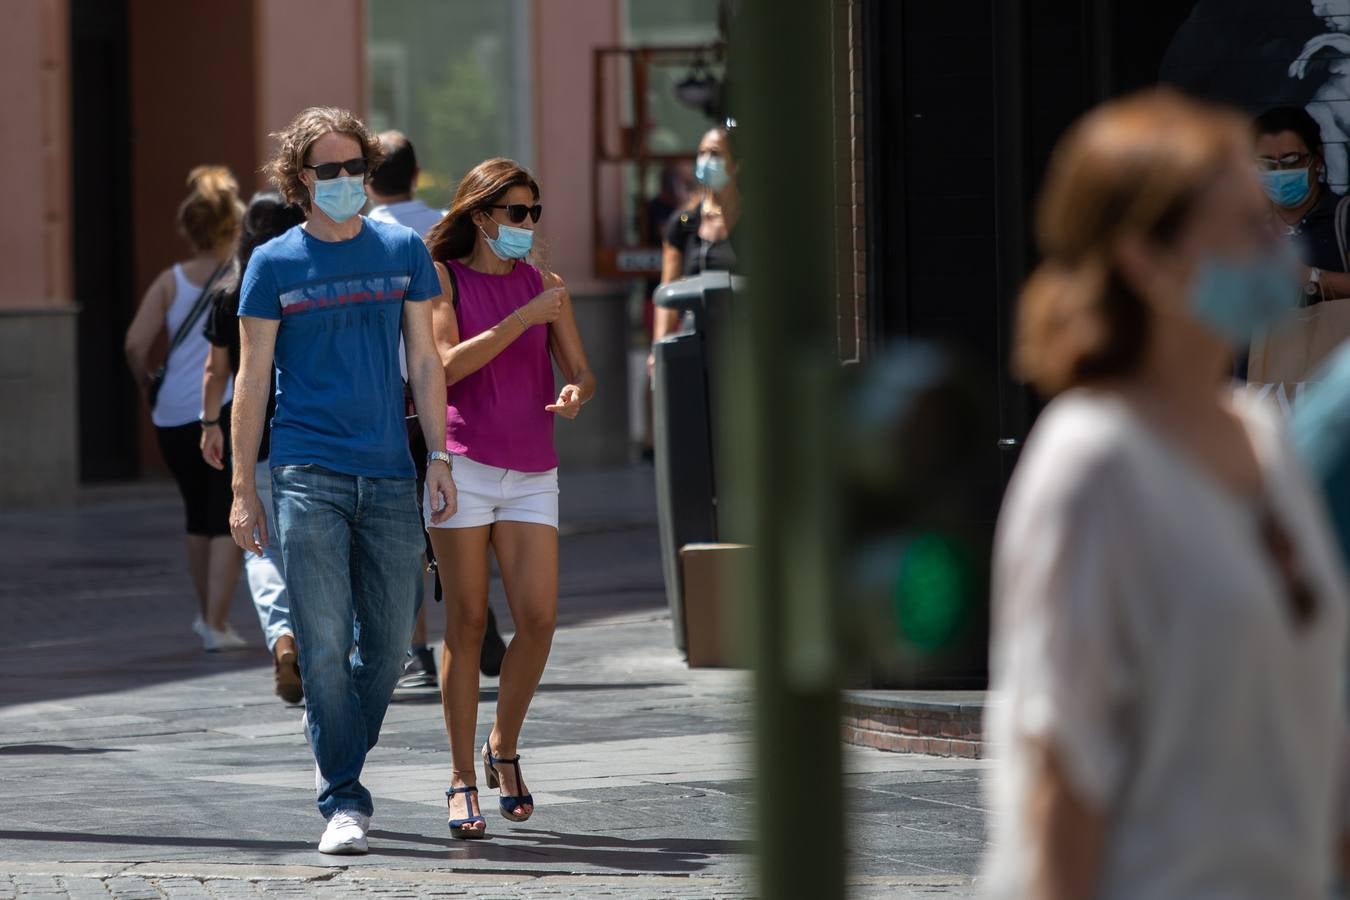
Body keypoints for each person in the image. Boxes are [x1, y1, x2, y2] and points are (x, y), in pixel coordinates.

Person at [984, 90, 1350, 898]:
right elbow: (1064, 777)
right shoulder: (1094, 465)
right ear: (1144, 262)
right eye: (1241, 226)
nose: (1273, 247)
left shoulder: (1262, 441)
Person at [228, 107, 456, 856]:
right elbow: (253, 380)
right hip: (305, 473)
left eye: (355, 168)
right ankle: (343, 798)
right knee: (324, 645)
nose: (346, 182)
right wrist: (243, 487)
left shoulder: (402, 250)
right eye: (329, 171)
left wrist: (441, 460)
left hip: (391, 473)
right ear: (300, 180)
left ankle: (341, 758)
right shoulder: (273, 265)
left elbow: (424, 360)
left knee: (388, 649)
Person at [422, 158, 595, 838]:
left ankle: (504, 745)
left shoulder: (548, 287)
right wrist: (522, 318)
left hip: (531, 469)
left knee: (541, 619)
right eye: (516, 213)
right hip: (461, 464)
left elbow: (580, 368)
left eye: (534, 213)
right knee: (465, 624)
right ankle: (463, 776)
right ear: (481, 216)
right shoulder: (444, 280)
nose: (527, 225)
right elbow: (444, 364)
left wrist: (578, 392)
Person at [365, 130, 508, 689]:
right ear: (416, 169)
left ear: (369, 178)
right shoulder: (447, 226)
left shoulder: (366, 236)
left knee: (402, 525)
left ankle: (416, 649)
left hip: (391, 397)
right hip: (448, 392)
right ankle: (475, 619)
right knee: (455, 515)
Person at [124, 165, 246, 652]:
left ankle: (206, 617)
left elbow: (135, 344)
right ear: (232, 224)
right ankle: (218, 624)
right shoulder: (240, 274)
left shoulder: (169, 281)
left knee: (197, 515)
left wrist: (149, 387)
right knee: (225, 515)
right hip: (222, 407)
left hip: (171, 412)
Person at [200, 192, 307, 702]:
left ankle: (283, 639)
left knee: (259, 548)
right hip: (303, 427)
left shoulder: (229, 291)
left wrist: (208, 424)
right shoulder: (303, 278)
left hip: (251, 432)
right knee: (308, 542)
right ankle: (317, 642)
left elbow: (217, 370)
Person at [650, 123, 742, 365]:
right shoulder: (683, 222)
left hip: (742, 343)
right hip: (694, 342)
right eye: (701, 153)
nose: (705, 160)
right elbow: (667, 291)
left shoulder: (752, 221)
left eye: (715, 154)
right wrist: (658, 350)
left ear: (736, 165)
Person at [1255, 106, 1350, 302]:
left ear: (1316, 160)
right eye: (1267, 164)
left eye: (1291, 160)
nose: (1280, 171)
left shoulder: (1345, 215)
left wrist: (1310, 278)